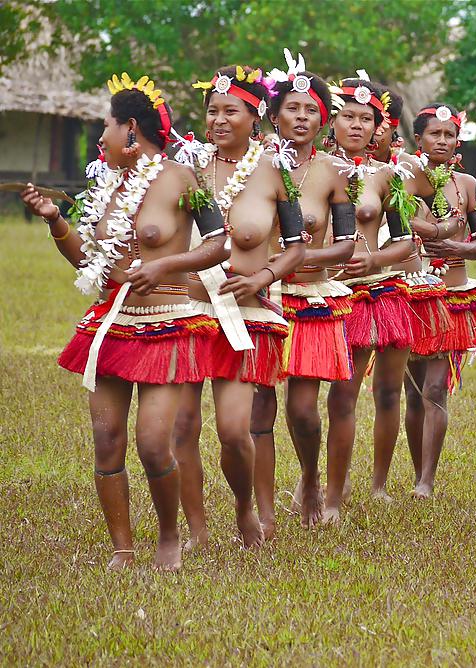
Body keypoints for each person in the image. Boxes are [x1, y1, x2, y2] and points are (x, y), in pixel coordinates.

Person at [20, 72, 229, 570]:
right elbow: (92, 266)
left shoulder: (182, 177)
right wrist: (56, 220)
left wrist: (163, 265)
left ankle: (169, 538)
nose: (100, 137)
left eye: (106, 126)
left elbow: (218, 244)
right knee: (107, 437)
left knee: (154, 442)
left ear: (131, 128)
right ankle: (122, 546)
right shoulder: (108, 184)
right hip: (112, 322)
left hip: (165, 320)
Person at [172, 65, 305, 548]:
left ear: (256, 117)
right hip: (187, 313)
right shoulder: (184, 171)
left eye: (232, 111)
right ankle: (197, 531)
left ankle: (245, 510)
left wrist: (266, 277)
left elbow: (295, 246)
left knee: (233, 431)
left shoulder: (275, 173)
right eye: (213, 111)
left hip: (244, 316)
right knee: (182, 425)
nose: (220, 120)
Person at [249, 52, 357, 529]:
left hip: (308, 300)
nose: (302, 117)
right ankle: (264, 510)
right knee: (260, 407)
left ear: (324, 120)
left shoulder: (334, 172)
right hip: (257, 299)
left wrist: (298, 259)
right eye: (292, 108)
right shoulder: (252, 167)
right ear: (273, 116)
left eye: (311, 110)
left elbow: (348, 245)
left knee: (303, 410)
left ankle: (311, 476)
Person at [322, 77, 417, 521]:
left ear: (380, 127)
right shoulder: (310, 169)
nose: (358, 125)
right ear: (333, 120)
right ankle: (316, 485)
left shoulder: (385, 176)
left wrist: (375, 259)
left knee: (372, 393)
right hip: (321, 292)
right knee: (324, 401)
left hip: (373, 293)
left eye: (367, 118)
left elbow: (406, 243)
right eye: (349, 116)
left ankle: (348, 495)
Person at [403, 103, 476, 499]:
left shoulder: (469, 184)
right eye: (434, 134)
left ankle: (427, 480)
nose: (442, 140)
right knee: (412, 389)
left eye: (449, 135)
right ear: (418, 139)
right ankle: (414, 467)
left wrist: (456, 245)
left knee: (436, 389)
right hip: (411, 294)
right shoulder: (402, 180)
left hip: (453, 298)